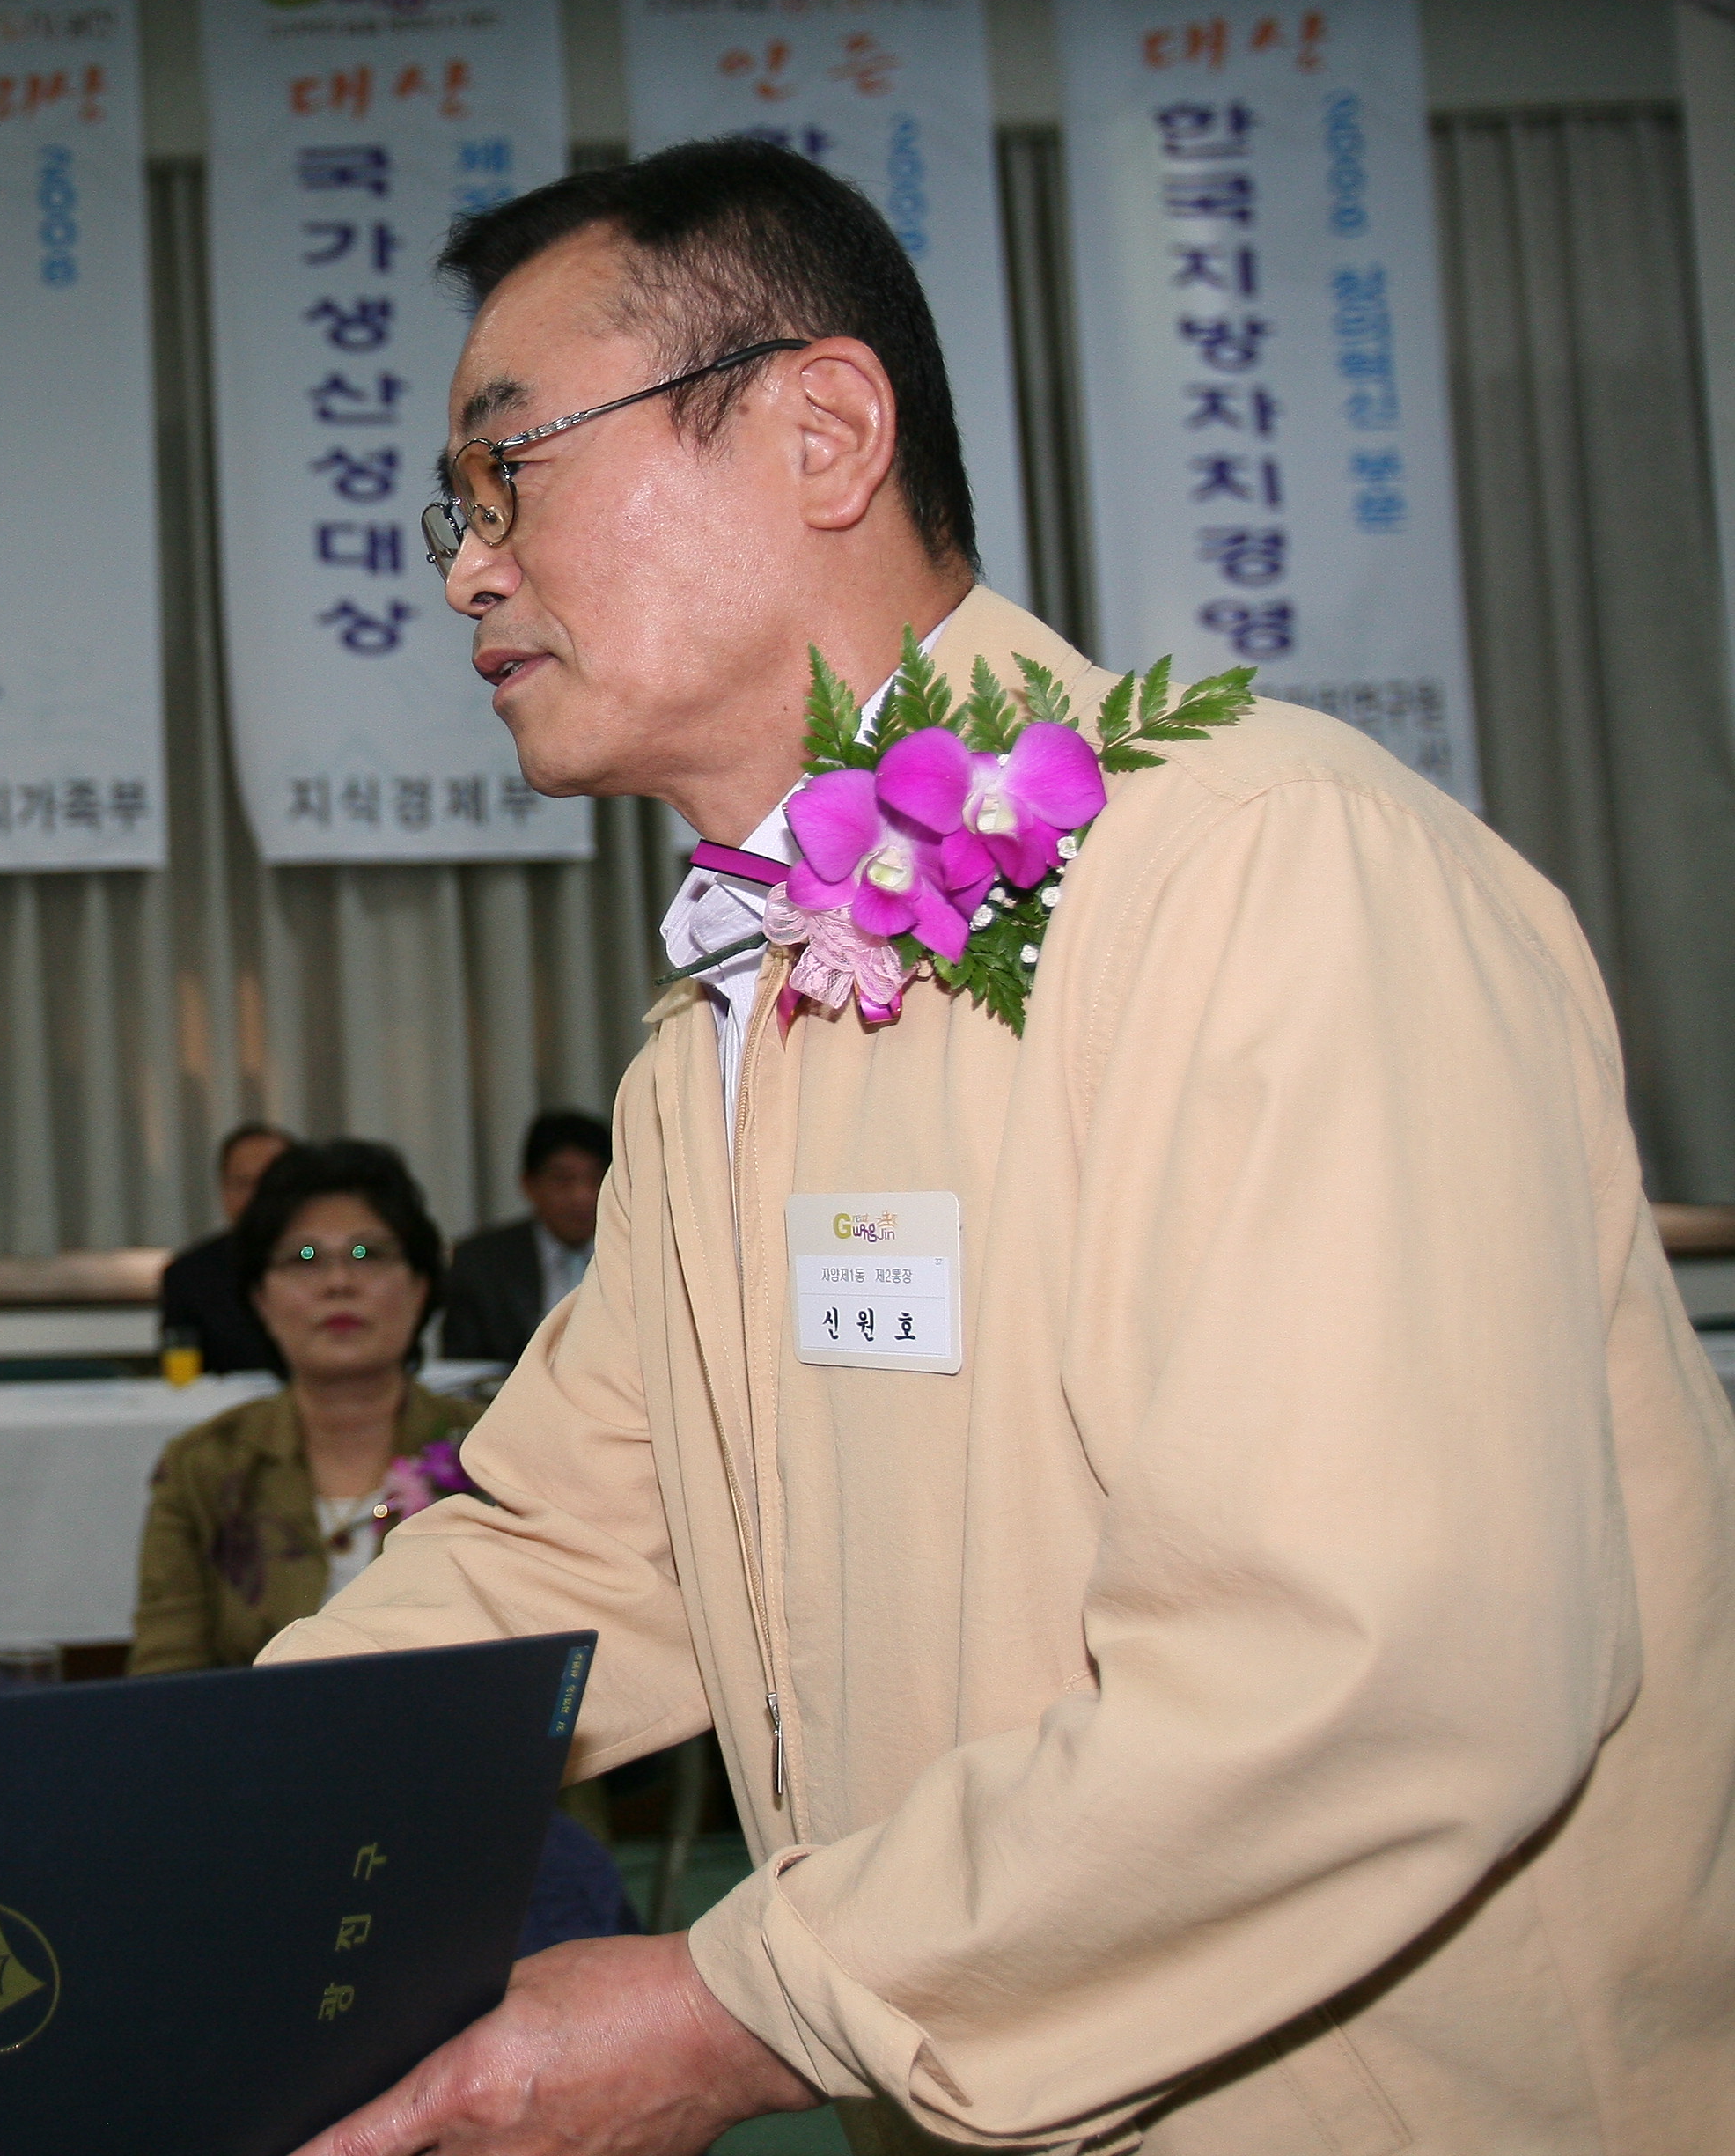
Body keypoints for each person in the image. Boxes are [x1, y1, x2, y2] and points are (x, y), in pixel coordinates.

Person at [268, 137, 1735, 2155]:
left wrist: (731, 2005)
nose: (466, 565)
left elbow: (1386, 1673)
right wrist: (138, 1811)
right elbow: (573, 1555)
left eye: (512, 469)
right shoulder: (731, 1030)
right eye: (456, 503)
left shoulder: (1265, 877)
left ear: (823, 428)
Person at [132, 1138, 474, 1674]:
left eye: (368, 1253)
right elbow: (165, 1681)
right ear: (261, 1299)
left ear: (419, 1287)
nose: (339, 1283)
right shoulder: (202, 1467)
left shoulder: (490, 1452)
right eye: (304, 1258)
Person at [429, 1109, 607, 1366]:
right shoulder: (479, 1262)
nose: (582, 1196)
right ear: (529, 1185)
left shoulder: (642, 1256)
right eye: (562, 1180)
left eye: (596, 1179)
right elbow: (464, 1369)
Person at [152, 1118, 293, 1378]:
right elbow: (182, 1381)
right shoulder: (189, 1276)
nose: (256, 1198)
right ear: (223, 1190)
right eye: (242, 1184)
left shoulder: (327, 1263)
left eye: (270, 1184)